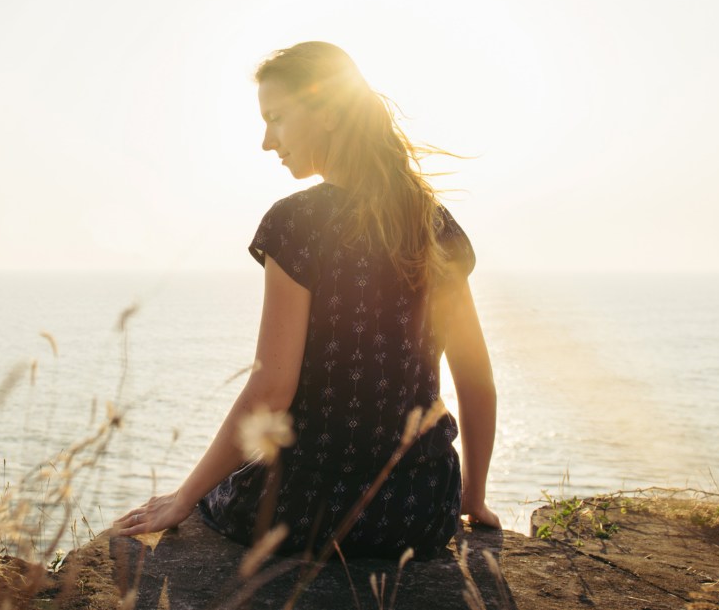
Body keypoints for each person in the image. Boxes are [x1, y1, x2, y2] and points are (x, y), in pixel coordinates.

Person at [114, 41, 499, 559]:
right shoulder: (435, 224)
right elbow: (477, 381)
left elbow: (272, 386)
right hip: (419, 509)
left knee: (228, 495)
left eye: (276, 118)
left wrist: (185, 497)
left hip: (305, 507)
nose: (267, 141)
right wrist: (471, 498)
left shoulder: (295, 224)